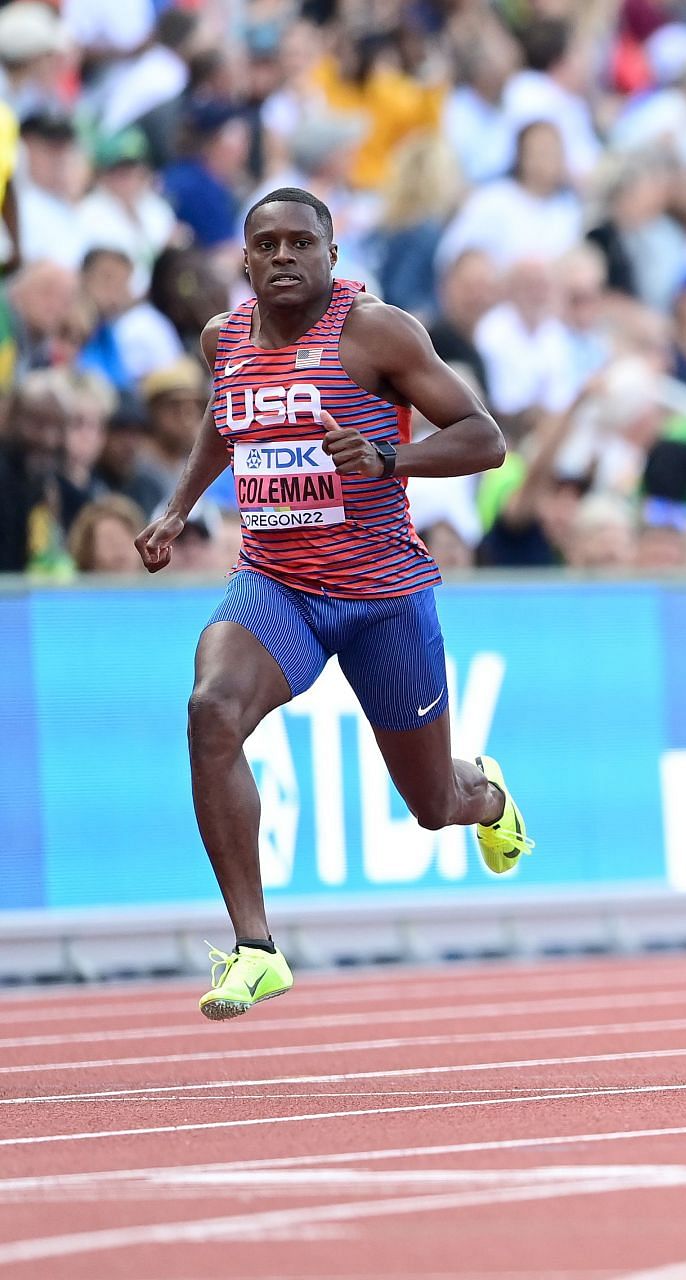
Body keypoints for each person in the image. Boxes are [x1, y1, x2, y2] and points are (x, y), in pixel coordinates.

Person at [135, 187, 534, 1021]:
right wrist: (178, 506)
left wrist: (391, 458)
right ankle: (256, 948)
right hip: (275, 585)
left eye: (300, 243)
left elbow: (486, 438)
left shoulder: (378, 333)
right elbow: (223, 420)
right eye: (266, 244)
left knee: (433, 807)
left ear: (331, 256)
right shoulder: (225, 339)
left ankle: (487, 792)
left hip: (383, 595)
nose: (283, 256)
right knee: (211, 711)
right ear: (244, 261)